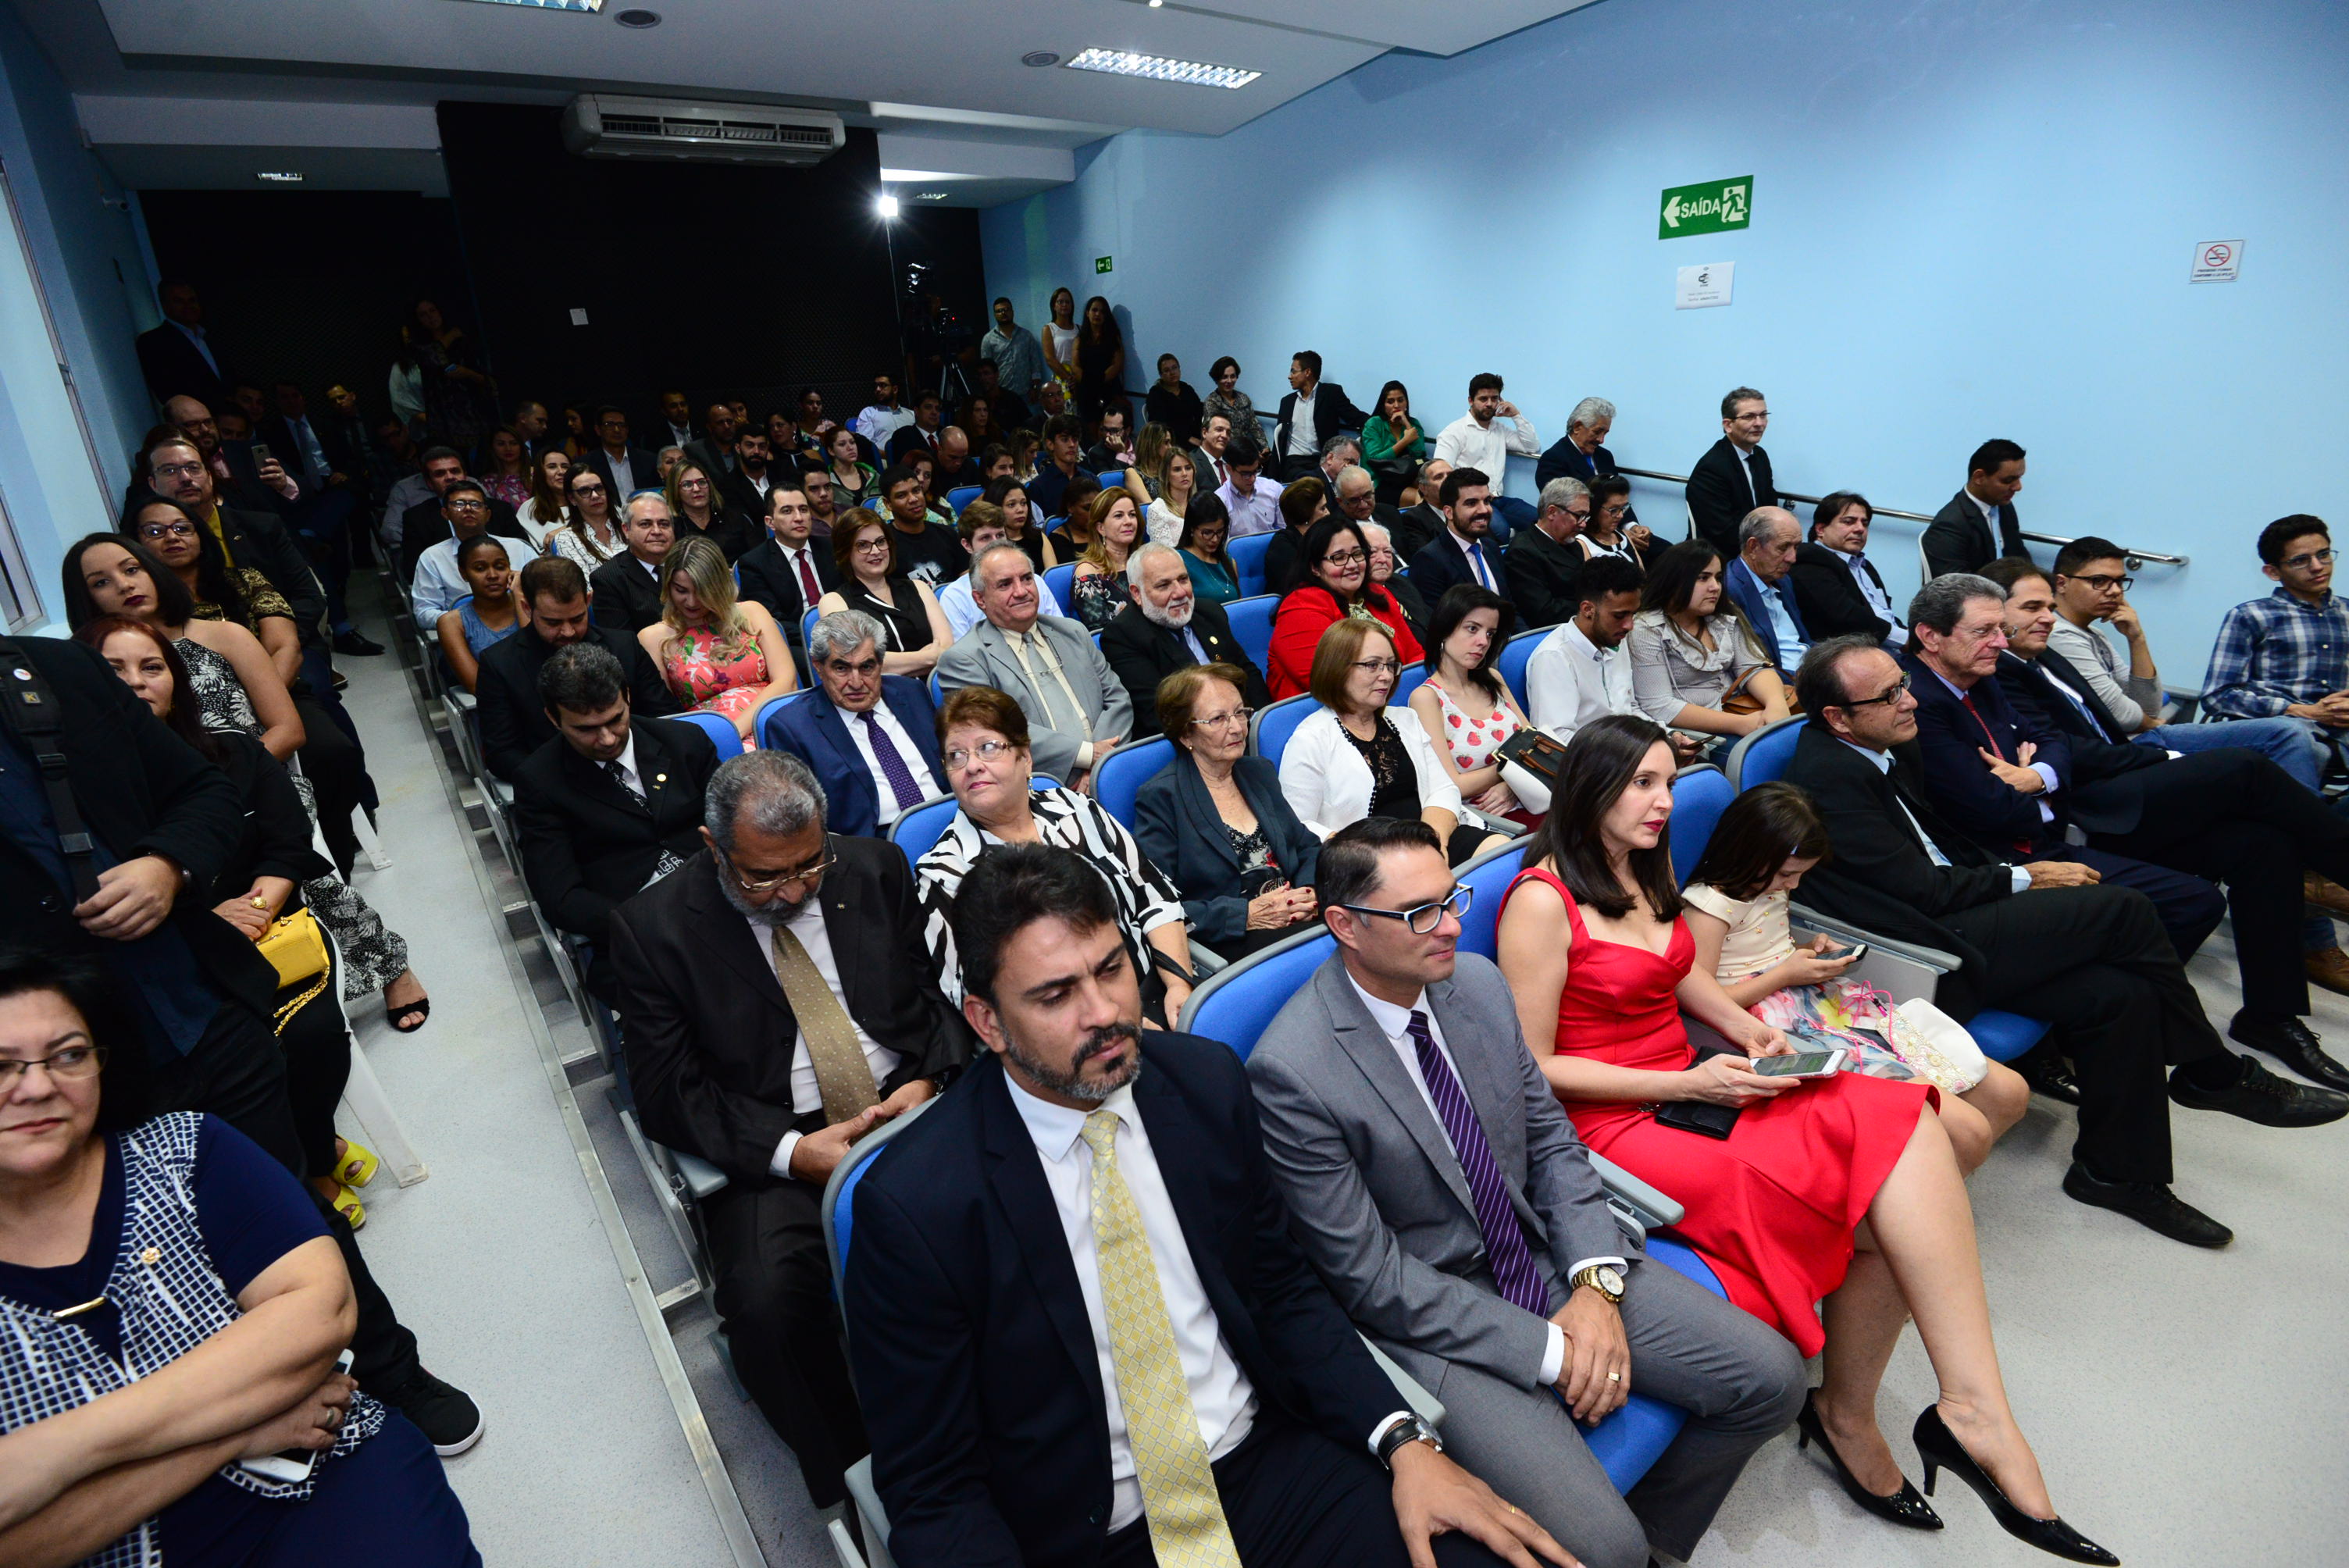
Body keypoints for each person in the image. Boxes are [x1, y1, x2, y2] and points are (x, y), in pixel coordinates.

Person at [1495, 716, 2116, 1563]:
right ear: (1590, 790)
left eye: (1667, 782)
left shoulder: (1642, 864)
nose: (1663, 802)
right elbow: (1534, 1068)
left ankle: (1970, 1409)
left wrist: (1743, 1030)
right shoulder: (1540, 899)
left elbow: (1676, 973)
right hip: (1613, 1124)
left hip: (1696, 1084)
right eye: (1642, 784)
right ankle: (1871, 1417)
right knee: (1877, 1202)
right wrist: (1687, 1083)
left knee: (1902, 1119)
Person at [847, 843, 1563, 1568]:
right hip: (1092, 1536)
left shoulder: (1204, 1086)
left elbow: (1283, 1292)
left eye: (1111, 969)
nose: (1105, 1013)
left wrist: (1405, 1441)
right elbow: (935, 1488)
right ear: (988, 1022)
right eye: (1055, 996)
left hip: (1272, 1469)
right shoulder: (917, 1204)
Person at [1250, 818, 1806, 1568]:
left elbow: (1550, 1140)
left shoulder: (1475, 984)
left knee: (1773, 1381)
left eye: (1452, 899)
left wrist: (1595, 1286)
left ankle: (1658, 1533)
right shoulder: (1293, 1072)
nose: (1453, 926)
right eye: (1420, 914)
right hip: (1437, 1314)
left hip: (1542, 1254)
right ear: (1345, 925)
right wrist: (1553, 1350)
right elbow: (1372, 1280)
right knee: (1604, 1548)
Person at [0, 627, 476, 1452]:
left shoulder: (49, 672)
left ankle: (388, 1369)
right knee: (138, 1255)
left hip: (196, 1004)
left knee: (289, 1206)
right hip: (52, 1076)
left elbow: (204, 792)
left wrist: (168, 866)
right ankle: (237, 1420)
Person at [1784, 635, 2345, 1248]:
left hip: (1954, 913)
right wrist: (2026, 877)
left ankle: (2116, 1174)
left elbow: (1945, 847)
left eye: (1904, 684)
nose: (1910, 700)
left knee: (2119, 994)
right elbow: (1920, 890)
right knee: (2124, 910)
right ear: (1838, 717)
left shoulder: (1884, 743)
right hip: (1921, 948)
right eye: (1889, 695)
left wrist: (2015, 872)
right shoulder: (1830, 777)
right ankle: (2212, 1072)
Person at [0, 952, 483, 1568]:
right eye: (2, 1066)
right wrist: (235, 1433)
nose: (38, 1086)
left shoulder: (180, 1150)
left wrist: (52, 1452)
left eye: (68, 1054)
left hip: (323, 1474)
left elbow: (318, 1315)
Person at [608, 750, 967, 1523]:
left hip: (911, 1099)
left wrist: (931, 1077)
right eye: (765, 877)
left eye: (809, 865)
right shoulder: (653, 929)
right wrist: (793, 1154)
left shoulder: (871, 868)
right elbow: (669, 1094)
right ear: (714, 847)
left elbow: (935, 990)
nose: (795, 890)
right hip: (779, 1139)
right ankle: (858, 1479)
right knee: (767, 1308)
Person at [1980, 565, 2349, 1089]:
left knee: (2265, 845)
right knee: (2247, 768)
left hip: (2126, 780)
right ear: (1995, 616)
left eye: (2050, 608)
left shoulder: (2047, 655)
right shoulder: (1998, 669)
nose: (2048, 618)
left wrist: (2152, 743)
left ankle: (2270, 1015)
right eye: (2032, 608)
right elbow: (2070, 753)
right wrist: (2164, 758)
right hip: (2094, 806)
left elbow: (2124, 720)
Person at [86, 616, 369, 1221]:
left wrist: (258, 909)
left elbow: (288, 843)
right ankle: (312, 1164)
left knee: (314, 1037)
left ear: (176, 683)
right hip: (176, 961)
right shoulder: (83, 804)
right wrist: (211, 918)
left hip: (269, 931)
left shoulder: (233, 753)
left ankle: (315, 1154)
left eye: (152, 667)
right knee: (212, 1070)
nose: (136, 683)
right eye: (114, 671)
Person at [1899, 573, 2230, 968]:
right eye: (1984, 631)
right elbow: (1990, 808)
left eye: (2002, 630)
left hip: (2039, 840)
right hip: (1994, 863)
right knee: (2189, 898)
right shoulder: (1915, 701)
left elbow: (2052, 739)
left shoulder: (1979, 676)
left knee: (2202, 891)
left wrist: (2035, 777)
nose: (2002, 643)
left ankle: (2115, 985)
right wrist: (2042, 796)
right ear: (1930, 636)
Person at [1683, 783, 2031, 1154]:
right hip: (1768, 1023)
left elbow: (1767, 950)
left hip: (1817, 1000)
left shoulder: (1770, 884)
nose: (1793, 884)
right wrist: (1784, 975)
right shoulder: (1709, 909)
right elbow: (1702, 1001)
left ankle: (1934, 1171)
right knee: (1962, 1126)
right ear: (1749, 853)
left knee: (2009, 1093)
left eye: (1801, 874)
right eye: (1787, 874)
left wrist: (1808, 953)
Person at [914, 687, 1194, 1018]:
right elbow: (982, 999)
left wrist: (1178, 985)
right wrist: (1121, 1021)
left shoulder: (1075, 806)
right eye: (956, 756)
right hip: (1067, 1030)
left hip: (1158, 985)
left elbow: (1153, 894)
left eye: (988, 747)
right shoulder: (944, 875)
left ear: (1025, 758)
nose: (972, 765)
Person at [510, 640, 718, 999]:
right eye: (586, 729)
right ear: (553, 719)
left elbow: (737, 828)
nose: (607, 739)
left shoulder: (684, 741)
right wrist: (643, 921)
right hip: (638, 926)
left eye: (615, 720)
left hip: (720, 895)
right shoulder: (539, 782)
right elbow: (560, 898)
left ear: (628, 697)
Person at [2048, 537, 2325, 782]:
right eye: (2100, 581)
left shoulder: (2094, 633)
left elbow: (2149, 706)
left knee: (2297, 740)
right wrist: (2151, 723)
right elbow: (2123, 717)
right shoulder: (2060, 634)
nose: (2114, 591)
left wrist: (2137, 638)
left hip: (2143, 737)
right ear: (2062, 583)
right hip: (2127, 748)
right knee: (2286, 732)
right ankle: (2307, 820)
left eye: (2120, 581)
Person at [1281, 618, 1504, 865]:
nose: (1386, 676)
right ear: (1337, 669)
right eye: (1372, 665)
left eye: (1390, 665)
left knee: (1502, 853)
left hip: (1431, 835)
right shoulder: (1310, 739)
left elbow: (1443, 789)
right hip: (1370, 858)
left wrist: (1434, 843)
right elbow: (1298, 825)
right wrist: (1357, 852)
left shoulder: (1406, 719)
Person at [1132, 664, 1320, 957]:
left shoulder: (1258, 772)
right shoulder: (1161, 798)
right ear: (1186, 735)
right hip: (1235, 937)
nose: (1237, 728)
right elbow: (1159, 904)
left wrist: (1308, 893)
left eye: (1240, 713)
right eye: (1218, 719)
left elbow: (1307, 846)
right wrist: (1246, 915)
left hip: (1297, 914)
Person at [936, 544, 1133, 786]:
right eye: (1005, 584)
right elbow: (995, 734)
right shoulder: (964, 660)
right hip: (1040, 785)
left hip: (1112, 768)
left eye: (1027, 578)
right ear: (980, 599)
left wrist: (1101, 767)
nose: (1021, 591)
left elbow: (1117, 698)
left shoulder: (1073, 632)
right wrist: (1087, 755)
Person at [476, 557, 680, 781]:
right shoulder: (500, 664)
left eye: (577, 618)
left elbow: (664, 716)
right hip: (558, 780)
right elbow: (502, 753)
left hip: (641, 767)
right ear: (527, 608)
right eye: (553, 623)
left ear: (588, 601)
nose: (568, 632)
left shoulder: (625, 647)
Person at [766, 610, 948, 839]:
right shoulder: (791, 727)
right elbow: (803, 821)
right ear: (819, 667)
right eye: (841, 668)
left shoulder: (911, 692)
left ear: (880, 664)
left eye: (866, 667)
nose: (856, 682)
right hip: (873, 842)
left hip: (951, 817)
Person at [2201, 515, 2349, 761]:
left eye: (2323, 555)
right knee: (2297, 738)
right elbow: (2217, 696)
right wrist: (2301, 711)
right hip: (2278, 730)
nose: (2317, 566)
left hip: (2341, 731)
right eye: (2301, 560)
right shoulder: (2251, 616)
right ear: (2273, 572)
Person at [1526, 559, 1695, 758]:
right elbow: (1555, 740)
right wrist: (1633, 754)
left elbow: (1629, 709)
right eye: (1620, 616)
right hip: (1593, 764)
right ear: (1588, 610)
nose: (1629, 626)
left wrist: (1667, 736)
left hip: (1626, 753)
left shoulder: (1615, 639)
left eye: (1633, 614)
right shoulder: (1554, 657)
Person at [1628, 540, 1788, 748]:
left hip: (1744, 711)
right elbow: (1659, 705)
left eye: (1718, 578)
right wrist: (1740, 724)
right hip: (1697, 733)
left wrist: (1776, 705)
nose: (1715, 587)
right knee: (1772, 752)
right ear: (1675, 581)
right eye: (1703, 578)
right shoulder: (1647, 628)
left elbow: (1754, 667)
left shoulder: (1721, 617)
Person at [640, 534, 796, 747]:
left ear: (719, 586)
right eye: (681, 590)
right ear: (668, 586)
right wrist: (725, 739)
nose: (692, 602)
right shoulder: (655, 638)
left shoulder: (752, 612)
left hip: (772, 718)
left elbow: (787, 681)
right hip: (710, 739)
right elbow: (666, 717)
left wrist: (736, 730)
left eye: (702, 592)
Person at [1101, 543, 1271, 738]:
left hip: (1242, 727)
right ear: (1137, 594)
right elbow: (1157, 714)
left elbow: (1247, 673)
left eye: (1183, 579)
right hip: (1191, 739)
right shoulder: (1123, 636)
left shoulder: (1210, 612)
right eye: (1164, 585)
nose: (1180, 592)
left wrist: (1260, 727)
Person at [1411, 585, 1539, 828]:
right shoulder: (1427, 698)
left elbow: (1536, 745)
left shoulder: (1493, 679)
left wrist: (1512, 785)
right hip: (1484, 819)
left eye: (1490, 634)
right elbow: (1453, 784)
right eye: (1472, 629)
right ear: (1445, 630)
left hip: (1527, 797)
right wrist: (1513, 771)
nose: (1483, 642)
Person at [1267, 514, 1425, 700]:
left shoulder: (1377, 593)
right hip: (1331, 710)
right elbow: (1329, 682)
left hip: (1397, 697)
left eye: (1357, 554)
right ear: (1315, 567)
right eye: (1339, 558)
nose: (1352, 565)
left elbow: (1416, 656)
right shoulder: (1300, 608)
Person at [814, 514, 953, 678]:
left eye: (880, 542)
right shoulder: (834, 601)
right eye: (863, 545)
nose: (876, 551)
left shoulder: (919, 587)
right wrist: (929, 658)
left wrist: (893, 664)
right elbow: (858, 661)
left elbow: (947, 649)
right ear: (845, 552)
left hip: (940, 683)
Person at [735, 479, 837, 677]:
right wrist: (823, 636)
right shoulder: (754, 563)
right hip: (799, 641)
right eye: (787, 511)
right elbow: (773, 622)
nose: (799, 518)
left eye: (803, 510)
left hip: (845, 629)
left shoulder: (831, 548)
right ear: (770, 522)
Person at [396, 452, 528, 589]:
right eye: (440, 474)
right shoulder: (417, 518)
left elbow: (525, 558)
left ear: (465, 475)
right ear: (429, 482)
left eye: (455, 471)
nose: (449, 477)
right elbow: (414, 573)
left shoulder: (499, 509)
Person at [411, 479, 536, 623]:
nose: (468, 508)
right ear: (445, 513)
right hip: (464, 631)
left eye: (476, 504)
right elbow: (424, 613)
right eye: (459, 504)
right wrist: (470, 620)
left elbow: (546, 590)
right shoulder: (432, 557)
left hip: (523, 623)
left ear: (488, 515)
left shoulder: (519, 548)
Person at [1791, 490, 1903, 647]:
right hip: (1850, 651)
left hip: (1889, 647)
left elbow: (1885, 613)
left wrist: (1912, 636)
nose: (1860, 529)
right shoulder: (1811, 558)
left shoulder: (1865, 566)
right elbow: (1845, 616)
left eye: (1865, 523)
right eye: (1849, 522)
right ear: (1821, 530)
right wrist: (1906, 640)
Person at [1684, 387, 1778, 558]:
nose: (1759, 423)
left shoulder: (1760, 456)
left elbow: (1769, 507)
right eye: (1749, 417)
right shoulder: (1711, 468)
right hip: (1721, 556)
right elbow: (1722, 533)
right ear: (1728, 425)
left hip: (1756, 548)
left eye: (1763, 415)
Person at [1722, 507, 1812, 683]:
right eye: (1783, 548)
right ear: (1753, 546)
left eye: (1796, 547)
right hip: (1781, 683)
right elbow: (1746, 666)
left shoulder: (1783, 581)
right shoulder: (1729, 589)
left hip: (1808, 670)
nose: (1792, 558)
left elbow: (1801, 641)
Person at [1922, 439, 2030, 579]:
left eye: (2020, 478)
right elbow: (1958, 585)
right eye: (2008, 480)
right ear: (1979, 477)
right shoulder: (1949, 526)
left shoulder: (2004, 506)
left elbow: (2020, 558)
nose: (2018, 487)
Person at [434, 536, 529, 693]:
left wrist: (519, 593)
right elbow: (476, 685)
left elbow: (540, 658)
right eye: (480, 569)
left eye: (500, 567)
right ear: (464, 573)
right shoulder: (452, 622)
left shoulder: (527, 603)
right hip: (497, 702)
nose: (492, 575)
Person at [402, 298, 494, 452]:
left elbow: (487, 379)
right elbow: (432, 357)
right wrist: (451, 336)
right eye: (423, 315)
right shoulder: (419, 347)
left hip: (473, 414)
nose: (430, 317)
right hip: (444, 422)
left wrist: (468, 373)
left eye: (433, 311)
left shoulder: (463, 341)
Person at [1502, 477, 1589, 630]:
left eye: (1586, 516)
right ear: (1552, 512)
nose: (1583, 524)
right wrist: (1594, 607)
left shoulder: (1573, 544)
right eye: (1579, 516)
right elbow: (1544, 613)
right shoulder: (1522, 552)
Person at [1409, 467, 1506, 604]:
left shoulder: (1490, 548)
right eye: (1471, 503)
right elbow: (1437, 615)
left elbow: (1509, 604)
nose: (1484, 510)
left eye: (1487, 501)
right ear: (1449, 512)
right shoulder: (1429, 560)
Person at [1432, 374, 1538, 497]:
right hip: (1471, 500)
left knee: (1537, 511)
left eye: (1494, 399)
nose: (1489, 404)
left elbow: (1532, 447)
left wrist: (1516, 415)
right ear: (1471, 401)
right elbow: (1441, 474)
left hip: (1499, 499)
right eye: (1483, 399)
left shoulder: (1500, 429)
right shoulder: (1453, 433)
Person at [1270, 351, 1368, 483]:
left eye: (1293, 371)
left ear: (1307, 372)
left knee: (1332, 480)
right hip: (1294, 462)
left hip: (1323, 460)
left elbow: (1354, 416)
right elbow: (1280, 439)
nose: (1289, 376)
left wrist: (1381, 423)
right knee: (1307, 482)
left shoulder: (1331, 394)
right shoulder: (1287, 402)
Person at [588, 491, 678, 635]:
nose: (657, 531)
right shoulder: (608, 579)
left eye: (664, 524)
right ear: (626, 530)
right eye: (645, 524)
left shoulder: (687, 563)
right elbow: (622, 642)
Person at [136, 278, 232, 407]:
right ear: (165, 306)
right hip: (195, 415)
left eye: (192, 300)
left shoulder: (210, 338)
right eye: (179, 301)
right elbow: (166, 390)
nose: (188, 306)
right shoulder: (154, 341)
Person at [1533, 397, 1632, 513]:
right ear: (1577, 427)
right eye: (1597, 432)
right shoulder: (1553, 459)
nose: (1601, 440)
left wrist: (1632, 523)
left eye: (1605, 433)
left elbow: (1619, 496)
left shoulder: (1605, 456)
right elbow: (1563, 510)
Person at [1071, 486, 1146, 632]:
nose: (1128, 521)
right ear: (1101, 528)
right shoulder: (1087, 572)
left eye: (1132, 515)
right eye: (1119, 516)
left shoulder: (1145, 562)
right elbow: (1101, 630)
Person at [665, 458, 754, 563]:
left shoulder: (736, 519)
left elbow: (756, 558)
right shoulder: (672, 528)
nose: (697, 489)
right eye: (687, 485)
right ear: (676, 491)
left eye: (701, 482)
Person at [1260, 475, 1330, 599]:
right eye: (1323, 508)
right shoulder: (1283, 545)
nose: (1328, 513)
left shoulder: (1325, 537)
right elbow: (1296, 586)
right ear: (1306, 513)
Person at [1364, 521, 1431, 646]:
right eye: (1372, 552)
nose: (1383, 559)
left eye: (1387, 552)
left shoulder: (1400, 582)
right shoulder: (1357, 601)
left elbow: (1430, 620)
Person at [1360, 380, 1428, 500]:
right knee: (1418, 498)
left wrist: (1406, 424)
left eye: (1400, 400)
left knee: (1433, 491)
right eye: (1390, 402)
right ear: (1383, 405)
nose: (1396, 405)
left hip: (1407, 477)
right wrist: (1405, 441)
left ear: (1406, 403)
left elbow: (1419, 455)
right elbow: (1375, 459)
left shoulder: (1413, 424)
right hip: (1379, 480)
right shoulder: (1374, 424)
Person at [547, 465, 624, 568]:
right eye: (584, 491)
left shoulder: (628, 525)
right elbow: (581, 579)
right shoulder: (566, 539)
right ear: (572, 499)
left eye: (599, 488)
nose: (595, 496)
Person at [984, 473, 1063, 573]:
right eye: (1011, 505)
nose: (1020, 510)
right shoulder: (990, 543)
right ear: (995, 508)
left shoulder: (1039, 537)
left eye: (1023, 503)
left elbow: (1051, 576)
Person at [582, 405, 656, 507]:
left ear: (627, 430)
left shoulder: (648, 460)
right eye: (609, 424)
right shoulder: (587, 464)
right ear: (598, 430)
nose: (617, 429)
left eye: (621, 425)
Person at [1176, 493, 1241, 606]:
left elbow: (1240, 603)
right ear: (1192, 529)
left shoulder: (1229, 562)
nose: (1215, 539)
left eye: (1220, 532)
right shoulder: (1178, 561)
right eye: (1207, 533)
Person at [981, 294, 1048, 404]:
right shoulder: (988, 340)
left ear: (1012, 312)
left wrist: (1035, 388)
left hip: (1027, 394)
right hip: (1001, 396)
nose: (1003, 313)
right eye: (999, 311)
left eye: (1006, 309)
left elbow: (1035, 364)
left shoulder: (1026, 335)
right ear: (995, 315)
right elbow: (985, 371)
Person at [1068, 296, 1125, 426]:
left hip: (1109, 390)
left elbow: (1117, 365)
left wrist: (1098, 381)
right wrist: (1088, 382)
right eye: (1094, 310)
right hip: (1086, 392)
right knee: (1089, 429)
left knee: (1109, 428)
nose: (1098, 314)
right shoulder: (1080, 339)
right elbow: (1075, 365)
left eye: (1102, 311)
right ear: (1087, 313)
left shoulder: (1113, 338)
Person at [1028, 412, 1087, 521]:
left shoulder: (1091, 480)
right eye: (1065, 439)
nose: (1072, 445)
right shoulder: (1038, 488)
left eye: (1075, 439)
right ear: (1050, 444)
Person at [1142, 445, 1200, 547]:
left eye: (1188, 468)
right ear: (1166, 475)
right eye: (1177, 469)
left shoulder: (1201, 504)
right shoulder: (1157, 509)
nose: (1184, 473)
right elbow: (1162, 552)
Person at [1395, 457, 1452, 559]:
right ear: (1423, 488)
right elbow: (1426, 557)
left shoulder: (1465, 510)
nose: (1447, 480)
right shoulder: (1414, 518)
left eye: (1451, 476)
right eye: (1439, 477)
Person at [516, 446, 572, 548]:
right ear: (541, 473)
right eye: (552, 467)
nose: (561, 472)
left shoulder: (586, 501)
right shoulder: (530, 508)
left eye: (565, 466)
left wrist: (566, 531)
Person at [1143, 351, 1203, 444]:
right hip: (1170, 439)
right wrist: (1188, 438)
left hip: (1194, 435)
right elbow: (1161, 424)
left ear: (1179, 369)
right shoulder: (1156, 394)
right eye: (1167, 370)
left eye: (1174, 368)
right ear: (1161, 375)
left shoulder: (1186, 388)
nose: (1172, 373)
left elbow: (1199, 412)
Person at [1201, 353, 1259, 446]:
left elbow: (1254, 426)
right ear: (1217, 379)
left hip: (1245, 447)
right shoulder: (1212, 401)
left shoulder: (1243, 398)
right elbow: (1216, 432)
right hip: (1223, 447)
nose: (1229, 381)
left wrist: (1264, 447)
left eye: (1233, 376)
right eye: (1225, 377)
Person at [853, 371, 914, 451]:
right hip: (885, 457)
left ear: (895, 389)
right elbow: (866, 446)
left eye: (883, 385)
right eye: (876, 386)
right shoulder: (868, 413)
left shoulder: (911, 414)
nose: (878, 389)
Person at [822, 423, 878, 514]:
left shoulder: (873, 475)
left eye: (852, 442)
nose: (850, 448)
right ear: (831, 451)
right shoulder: (827, 483)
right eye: (842, 444)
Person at [477, 424, 530, 511]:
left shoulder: (537, 475)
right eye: (501, 444)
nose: (508, 448)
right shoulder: (487, 482)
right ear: (493, 447)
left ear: (521, 446)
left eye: (513, 443)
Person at [1039, 287, 1082, 394]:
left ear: (1072, 306)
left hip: (1080, 379)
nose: (1064, 305)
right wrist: (1069, 379)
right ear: (1054, 306)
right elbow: (1050, 359)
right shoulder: (1049, 329)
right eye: (1060, 302)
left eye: (1067, 302)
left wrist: (1079, 379)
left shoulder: (1079, 329)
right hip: (1062, 379)